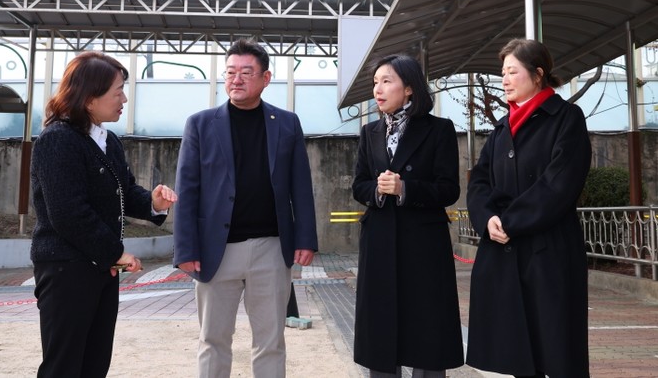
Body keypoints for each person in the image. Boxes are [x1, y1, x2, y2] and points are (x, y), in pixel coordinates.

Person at [173, 38, 319, 378]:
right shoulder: (200, 124)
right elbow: (187, 190)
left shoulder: (287, 123)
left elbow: (300, 185)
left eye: (246, 72)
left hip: (271, 248)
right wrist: (185, 249)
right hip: (215, 250)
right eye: (230, 72)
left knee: (270, 341)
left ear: (265, 78)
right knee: (212, 339)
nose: (236, 79)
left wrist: (305, 239)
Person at [30, 51, 178, 378]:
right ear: (89, 97)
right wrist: (116, 253)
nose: (124, 99)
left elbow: (124, 190)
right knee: (64, 366)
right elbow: (68, 213)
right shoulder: (57, 140)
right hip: (66, 269)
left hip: (101, 269)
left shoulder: (107, 140)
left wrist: (153, 202)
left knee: (95, 363)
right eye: (118, 91)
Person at [466, 38, 592, 378]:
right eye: (502, 73)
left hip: (549, 253)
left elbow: (559, 183)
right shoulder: (501, 128)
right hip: (506, 255)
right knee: (519, 356)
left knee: (559, 352)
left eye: (512, 72)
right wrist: (487, 219)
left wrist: (510, 221)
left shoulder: (566, 118)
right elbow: (479, 181)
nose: (504, 80)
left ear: (537, 74)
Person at [352, 54, 464, 378]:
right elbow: (359, 185)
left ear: (410, 88)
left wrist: (405, 189)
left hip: (424, 245)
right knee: (381, 331)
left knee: (427, 329)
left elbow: (449, 189)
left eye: (387, 81)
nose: (378, 89)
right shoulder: (370, 132)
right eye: (375, 82)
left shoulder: (439, 129)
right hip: (379, 242)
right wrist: (377, 189)